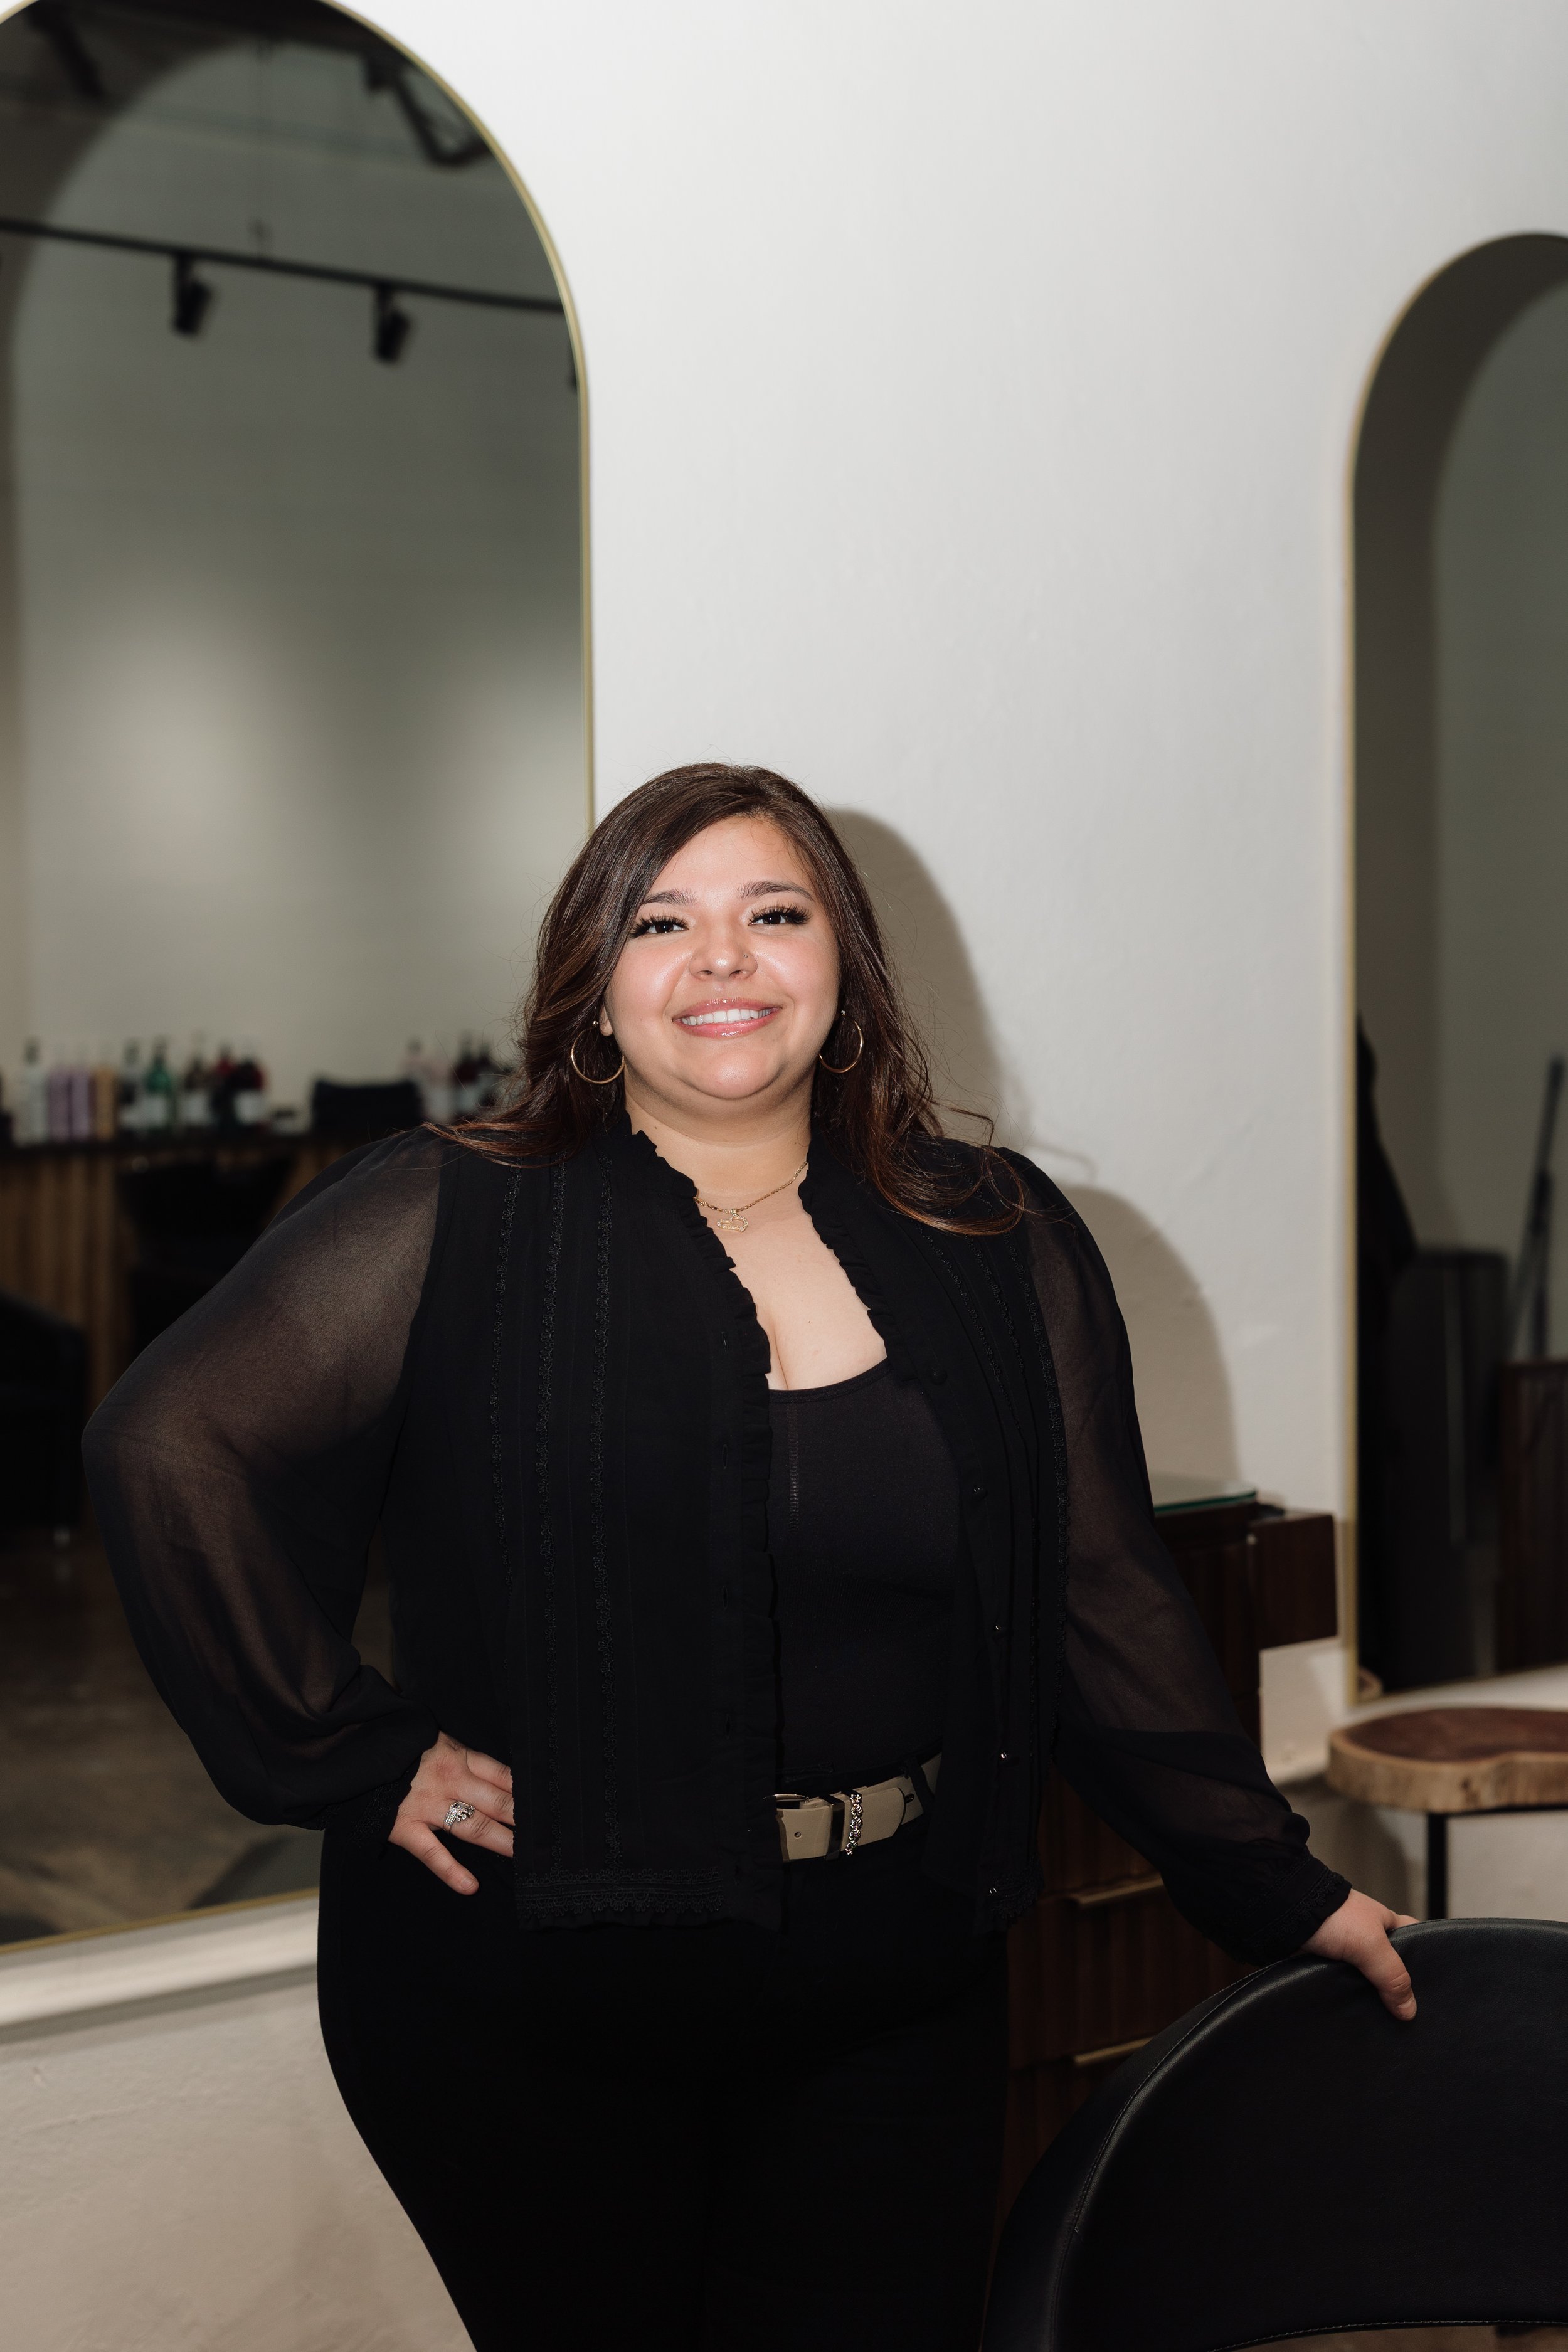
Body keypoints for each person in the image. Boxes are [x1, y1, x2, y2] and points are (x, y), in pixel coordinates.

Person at [85, 763, 1414, 2352]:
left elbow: (1098, 1587)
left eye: (772, 913)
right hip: (534, 1993)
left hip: (894, 1978)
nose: (721, 956)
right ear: (594, 987)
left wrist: (1271, 1884)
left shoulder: (987, 1231)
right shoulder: (455, 1214)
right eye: (661, 922)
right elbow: (167, 1446)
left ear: (841, 966)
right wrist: (350, 1751)